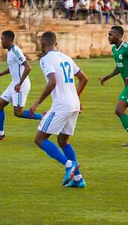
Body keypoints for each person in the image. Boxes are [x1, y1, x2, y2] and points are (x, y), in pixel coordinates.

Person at [28, 31, 88, 188]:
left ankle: (69, 165)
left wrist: (37, 103)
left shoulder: (46, 59)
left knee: (40, 139)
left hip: (62, 104)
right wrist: (75, 96)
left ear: (42, 45)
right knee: (63, 140)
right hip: (73, 103)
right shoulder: (66, 57)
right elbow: (83, 78)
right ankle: (78, 180)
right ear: (56, 44)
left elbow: (52, 81)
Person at [0, 30, 42, 140]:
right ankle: (0, 134)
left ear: (9, 40)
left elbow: (28, 67)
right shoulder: (11, 51)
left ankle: (44, 117)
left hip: (20, 85)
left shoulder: (16, 51)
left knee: (18, 113)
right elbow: (12, 68)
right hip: (14, 84)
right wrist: (0, 74)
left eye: (2, 40)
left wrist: (19, 84)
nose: (1, 42)